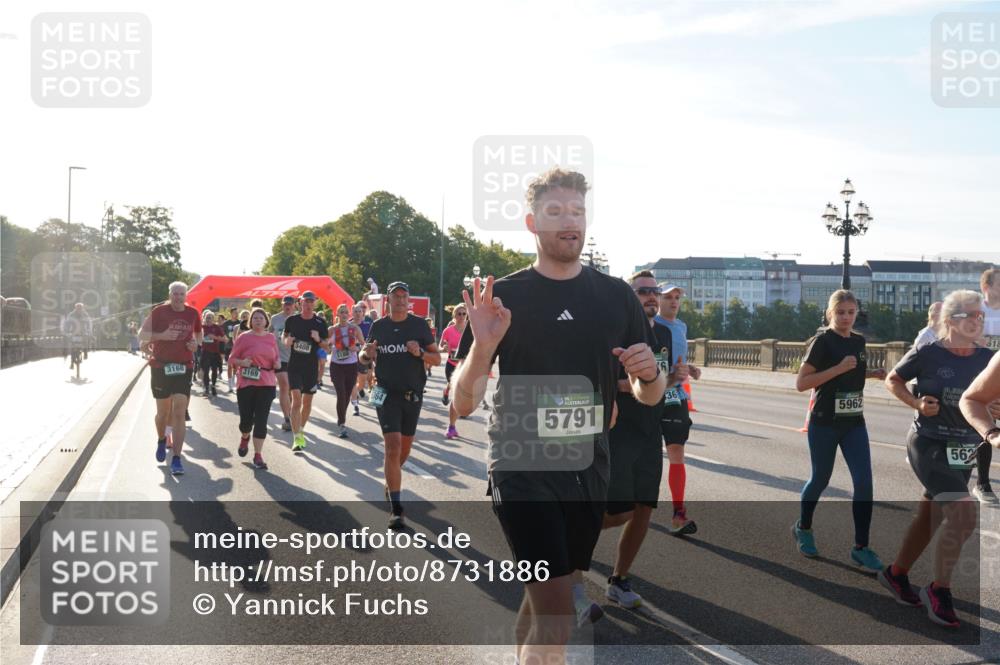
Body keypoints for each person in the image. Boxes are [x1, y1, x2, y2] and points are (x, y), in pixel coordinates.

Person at [452, 169, 665, 663]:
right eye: (555, 212)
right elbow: (462, 405)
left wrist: (649, 375)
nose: (569, 222)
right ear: (532, 222)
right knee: (558, 611)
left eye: (577, 211)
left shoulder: (615, 296)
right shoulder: (503, 298)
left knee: (546, 595)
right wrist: (483, 348)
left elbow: (649, 395)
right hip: (521, 463)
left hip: (588, 467)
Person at [882, 290, 995, 627]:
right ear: (950, 321)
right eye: (971, 316)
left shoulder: (987, 358)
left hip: (964, 448)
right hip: (929, 443)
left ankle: (896, 573)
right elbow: (893, 379)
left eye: (981, 316)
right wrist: (916, 404)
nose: (978, 320)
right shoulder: (929, 353)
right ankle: (938, 589)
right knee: (963, 514)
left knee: (929, 517)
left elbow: (990, 399)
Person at [599, 271, 688, 610]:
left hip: (651, 428)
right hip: (618, 428)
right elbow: (603, 377)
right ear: (629, 296)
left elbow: (659, 381)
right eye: (643, 292)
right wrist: (637, 382)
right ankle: (570, 545)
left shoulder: (663, 333)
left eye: (654, 292)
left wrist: (671, 379)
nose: (651, 297)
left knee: (643, 510)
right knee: (617, 511)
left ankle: (619, 579)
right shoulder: (615, 331)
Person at [792, 289, 886, 572]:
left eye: (851, 312)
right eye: (841, 313)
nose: (846, 317)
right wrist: (838, 367)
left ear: (857, 313)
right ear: (830, 313)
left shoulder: (858, 341)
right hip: (824, 422)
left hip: (854, 422)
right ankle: (803, 527)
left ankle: (861, 547)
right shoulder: (822, 341)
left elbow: (851, 372)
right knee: (820, 479)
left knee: (865, 483)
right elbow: (802, 383)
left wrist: (871, 374)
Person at [359, 281, 441, 528]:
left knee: (403, 450)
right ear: (389, 301)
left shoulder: (419, 325)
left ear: (409, 301)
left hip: (412, 394)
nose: (401, 301)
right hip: (383, 391)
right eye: (396, 297)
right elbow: (364, 356)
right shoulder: (379, 326)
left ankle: (390, 479)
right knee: (392, 447)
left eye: (404, 297)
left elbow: (436, 358)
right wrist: (367, 353)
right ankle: (396, 508)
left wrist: (420, 354)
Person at [655, 284, 703, 535]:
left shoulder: (681, 326)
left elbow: (678, 360)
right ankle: (630, 505)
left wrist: (690, 369)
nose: (674, 302)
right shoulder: (651, 326)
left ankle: (678, 513)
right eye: (668, 297)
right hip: (651, 395)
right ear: (658, 300)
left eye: (677, 298)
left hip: (676, 395)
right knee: (644, 455)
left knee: (676, 451)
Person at [140, 281, 203, 475]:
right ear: (170, 294)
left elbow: (199, 334)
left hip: (184, 367)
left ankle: (176, 458)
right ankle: (161, 439)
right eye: (175, 293)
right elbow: (142, 334)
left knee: (179, 411)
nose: (178, 297)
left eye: (181, 294)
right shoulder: (159, 312)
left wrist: (196, 344)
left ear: (186, 296)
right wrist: (162, 336)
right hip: (161, 366)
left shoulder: (193, 313)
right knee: (163, 413)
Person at [229, 307, 280, 470]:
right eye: (255, 318)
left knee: (261, 420)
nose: (258, 320)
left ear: (266, 321)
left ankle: (258, 455)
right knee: (246, 421)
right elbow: (232, 358)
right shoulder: (244, 337)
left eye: (261, 318)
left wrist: (277, 364)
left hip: (266, 382)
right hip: (246, 382)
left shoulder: (271, 338)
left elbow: (276, 357)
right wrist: (242, 363)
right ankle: (245, 436)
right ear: (250, 321)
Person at [282, 291, 329, 453]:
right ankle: (297, 437)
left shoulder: (320, 323)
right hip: (294, 366)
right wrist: (286, 341)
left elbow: (327, 347)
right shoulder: (292, 320)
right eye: (305, 301)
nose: (308, 304)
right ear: (300, 303)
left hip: (311, 368)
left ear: (315, 303)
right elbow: (285, 335)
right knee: (296, 401)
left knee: (307, 403)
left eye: (311, 301)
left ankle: (300, 429)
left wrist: (318, 339)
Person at [973, 267, 1000, 504]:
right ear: (987, 287)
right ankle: (982, 482)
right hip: (981, 380)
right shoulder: (975, 312)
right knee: (987, 429)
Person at [329, 303, 365, 437]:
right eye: (341, 312)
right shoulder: (332, 329)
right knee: (341, 393)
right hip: (336, 365)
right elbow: (325, 346)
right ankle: (342, 423)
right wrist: (327, 346)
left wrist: (356, 348)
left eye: (345, 312)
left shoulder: (354, 328)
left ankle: (341, 417)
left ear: (348, 315)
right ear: (337, 314)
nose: (344, 315)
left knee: (348, 393)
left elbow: (363, 344)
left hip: (351, 365)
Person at [439, 304, 468, 439]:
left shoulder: (471, 330)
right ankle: (451, 427)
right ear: (454, 316)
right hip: (452, 365)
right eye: (459, 314)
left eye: (464, 314)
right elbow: (440, 345)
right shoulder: (448, 331)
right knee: (456, 392)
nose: (461, 316)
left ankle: (448, 393)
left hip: (466, 366)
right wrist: (444, 347)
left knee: (462, 393)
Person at [269, 296, 297, 431]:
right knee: (284, 386)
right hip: (280, 358)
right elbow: (268, 335)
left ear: (294, 306)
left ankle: (291, 412)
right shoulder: (275, 319)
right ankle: (286, 418)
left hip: (296, 358)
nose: (287, 306)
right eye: (285, 304)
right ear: (282, 305)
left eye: (290, 304)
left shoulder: (299, 319)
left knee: (294, 390)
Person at [350, 303, 373, 416]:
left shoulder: (368, 325)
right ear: (352, 313)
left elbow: (371, 339)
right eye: (356, 311)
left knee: (363, 380)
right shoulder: (348, 325)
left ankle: (356, 392)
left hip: (363, 356)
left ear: (362, 313)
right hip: (350, 356)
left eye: (360, 311)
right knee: (353, 380)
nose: (358, 313)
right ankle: (355, 404)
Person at [200, 311, 225, 396]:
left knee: (214, 370)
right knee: (205, 371)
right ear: (204, 318)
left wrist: (214, 337)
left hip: (215, 352)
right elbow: (196, 337)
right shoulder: (201, 327)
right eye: (207, 317)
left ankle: (213, 386)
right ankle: (206, 387)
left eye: (210, 318)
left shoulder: (217, 328)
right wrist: (200, 339)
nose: (208, 319)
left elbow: (225, 339)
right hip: (205, 352)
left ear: (213, 319)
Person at [222, 307, 240, 392]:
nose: (236, 314)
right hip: (228, 347)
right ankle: (230, 385)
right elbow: (221, 332)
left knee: (236, 367)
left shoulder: (240, 323)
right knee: (229, 366)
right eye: (235, 313)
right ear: (231, 313)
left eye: (237, 313)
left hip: (237, 348)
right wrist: (225, 338)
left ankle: (234, 382)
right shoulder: (226, 323)